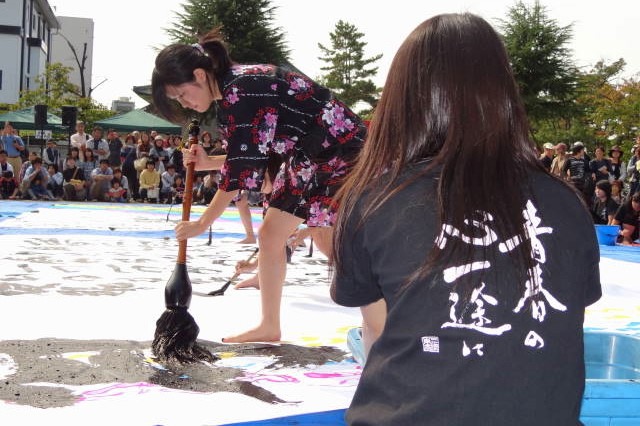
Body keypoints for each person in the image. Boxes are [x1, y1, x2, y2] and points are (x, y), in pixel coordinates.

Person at [329, 13, 601, 425]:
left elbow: (379, 332)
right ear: (502, 94)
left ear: (402, 99)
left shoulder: (376, 199)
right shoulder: (565, 202)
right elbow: (563, 329)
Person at [152, 26, 366, 343]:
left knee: (327, 239)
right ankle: (269, 326)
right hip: (310, 155)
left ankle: (384, 308)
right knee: (272, 235)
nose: (184, 104)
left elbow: (242, 167)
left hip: (339, 149)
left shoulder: (243, 89)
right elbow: (249, 152)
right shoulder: (233, 91)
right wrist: (209, 162)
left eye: (182, 94)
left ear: (199, 75)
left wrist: (202, 223)